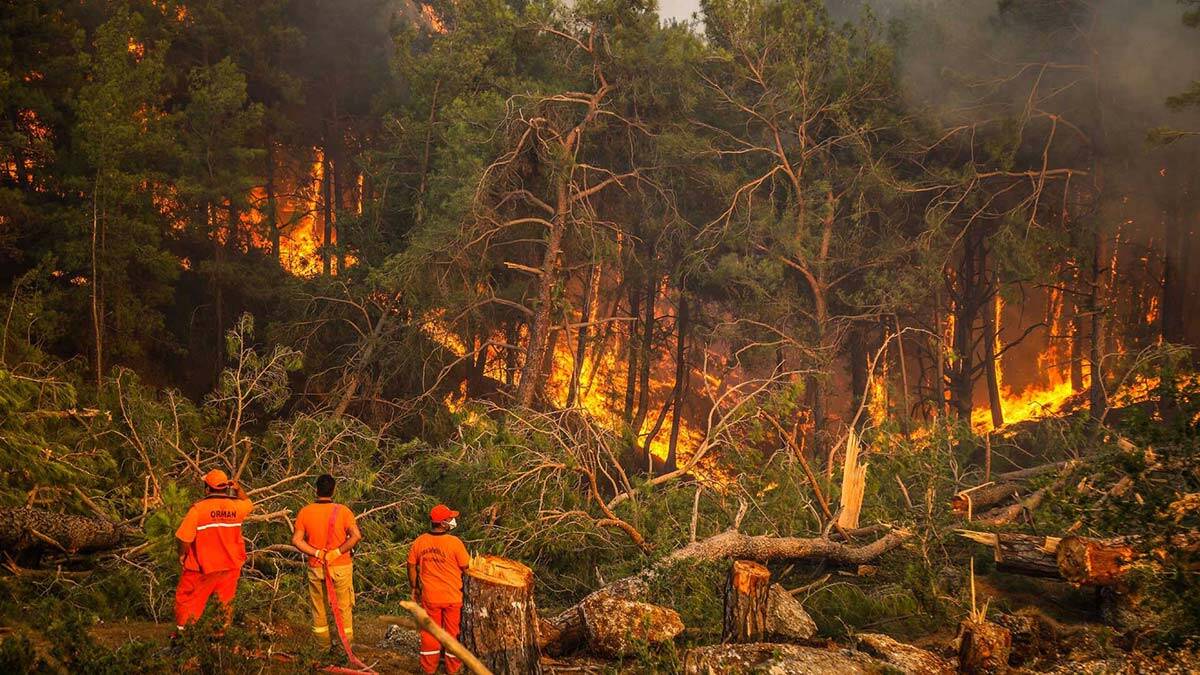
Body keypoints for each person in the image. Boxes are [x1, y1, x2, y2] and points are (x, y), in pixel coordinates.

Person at [174, 469, 253, 633]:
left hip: (202, 568)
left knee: (187, 601)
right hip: (230, 567)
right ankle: (219, 640)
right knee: (224, 605)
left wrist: (182, 554)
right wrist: (238, 490)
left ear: (207, 489)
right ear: (226, 488)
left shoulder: (198, 510)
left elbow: (184, 538)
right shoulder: (236, 508)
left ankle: (184, 639)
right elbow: (249, 502)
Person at [291, 474, 362, 646]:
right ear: (334, 490)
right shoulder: (344, 511)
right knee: (343, 608)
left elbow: (296, 540)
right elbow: (356, 536)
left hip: (316, 567)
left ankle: (322, 648)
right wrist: (337, 552)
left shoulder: (305, 512)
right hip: (341, 566)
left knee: (319, 609)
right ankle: (346, 649)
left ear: (316, 490)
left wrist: (317, 553)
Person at [408, 504, 470, 675]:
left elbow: (411, 565)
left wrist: (414, 587)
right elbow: (467, 567)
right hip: (453, 597)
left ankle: (428, 669)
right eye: (450, 518)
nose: (453, 521)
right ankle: (453, 669)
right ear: (443, 523)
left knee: (430, 634)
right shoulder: (455, 543)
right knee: (453, 634)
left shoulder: (420, 541)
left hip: (430, 597)